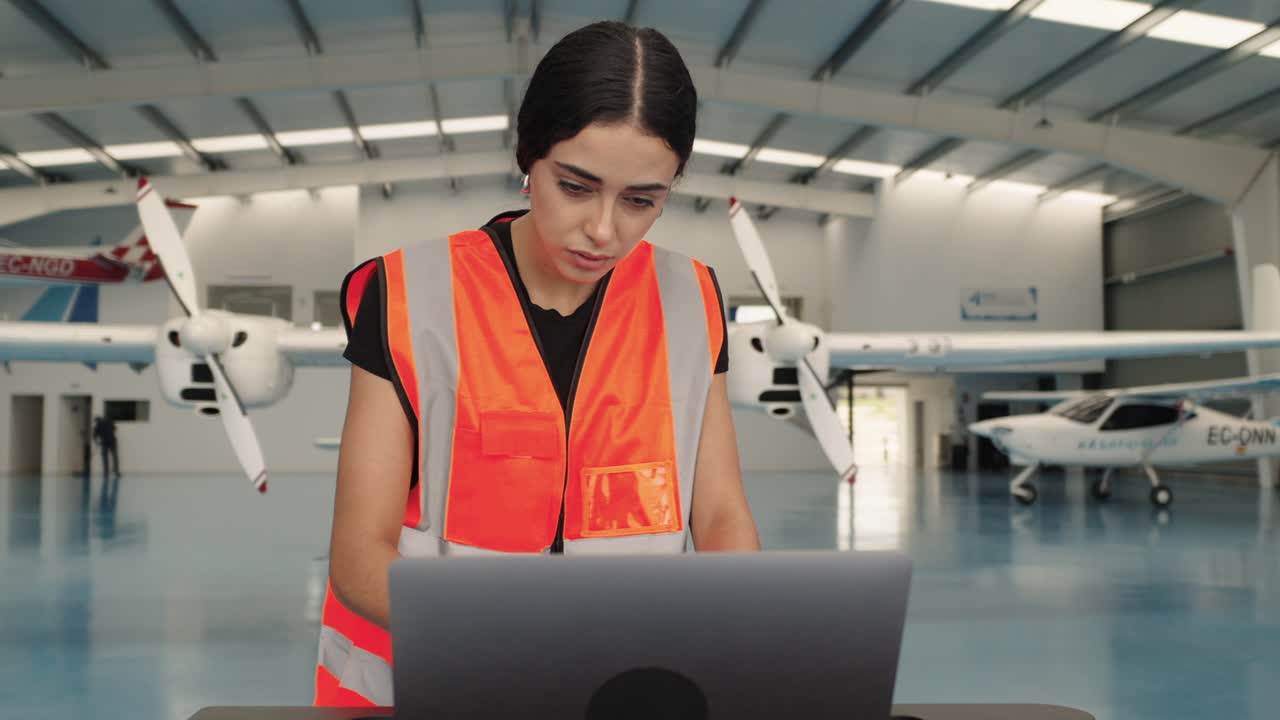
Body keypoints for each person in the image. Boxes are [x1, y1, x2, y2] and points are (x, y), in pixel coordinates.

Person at [315, 20, 760, 707]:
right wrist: (512, 645)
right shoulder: (406, 294)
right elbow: (358, 557)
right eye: (575, 186)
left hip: (622, 691)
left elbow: (723, 513)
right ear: (529, 156)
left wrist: (736, 635)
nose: (604, 229)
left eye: (643, 200)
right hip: (427, 691)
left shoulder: (691, 298)